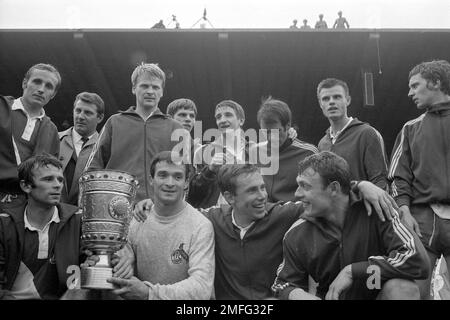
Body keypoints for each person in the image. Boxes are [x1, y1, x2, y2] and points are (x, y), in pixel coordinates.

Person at [135, 163, 399, 299]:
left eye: (262, 187)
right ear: (229, 197)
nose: (263, 195)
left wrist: (360, 185)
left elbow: (325, 194)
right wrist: (149, 204)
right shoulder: (211, 220)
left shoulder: (283, 213)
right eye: (252, 190)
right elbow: (178, 212)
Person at [272, 151, 430, 300]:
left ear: (334, 188)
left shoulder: (379, 209)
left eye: (305, 186)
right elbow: (281, 285)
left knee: (402, 289)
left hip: (376, 293)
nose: (297, 194)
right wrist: (298, 295)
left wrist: (354, 271)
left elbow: (417, 260)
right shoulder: (298, 231)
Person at [107, 151, 215, 300]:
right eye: (163, 175)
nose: (170, 183)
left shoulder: (200, 226)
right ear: (151, 180)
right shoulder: (136, 219)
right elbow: (119, 261)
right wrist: (121, 258)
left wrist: (149, 293)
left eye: (177, 177)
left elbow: (201, 288)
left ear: (186, 183)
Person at [388, 59, 450, 299]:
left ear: (435, 83)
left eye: (415, 85)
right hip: (421, 220)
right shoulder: (410, 128)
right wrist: (403, 209)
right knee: (414, 293)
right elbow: (397, 176)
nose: (409, 92)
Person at [85, 63, 186, 202]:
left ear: (162, 92)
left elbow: (187, 173)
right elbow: (93, 169)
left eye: (155, 87)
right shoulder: (114, 122)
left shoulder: (176, 128)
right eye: (144, 86)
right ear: (134, 88)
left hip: (161, 211)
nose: (150, 91)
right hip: (116, 209)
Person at [0, 154, 82, 299]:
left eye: (60, 180)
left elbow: (92, 270)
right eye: (48, 179)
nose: (57, 185)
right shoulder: (4, 225)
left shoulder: (77, 220)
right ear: (25, 186)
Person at [0, 63, 61, 210]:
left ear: (53, 95)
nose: (41, 89)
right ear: (25, 83)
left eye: (48, 86)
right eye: (37, 82)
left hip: (24, 208)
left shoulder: (52, 131)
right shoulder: (2, 108)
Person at [317, 78, 389, 190]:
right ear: (320, 104)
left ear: (348, 100)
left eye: (337, 97)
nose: (331, 101)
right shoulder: (322, 143)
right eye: (326, 99)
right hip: (333, 207)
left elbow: (380, 181)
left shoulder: (367, 133)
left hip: (364, 206)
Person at [187, 100, 256, 208]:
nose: (222, 120)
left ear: (241, 120)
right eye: (218, 117)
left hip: (249, 214)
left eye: (228, 115)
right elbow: (192, 195)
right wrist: (209, 171)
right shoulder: (203, 152)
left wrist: (292, 138)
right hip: (215, 217)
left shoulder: (256, 150)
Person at [250, 97, 318, 202]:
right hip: (263, 213)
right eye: (266, 132)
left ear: (288, 126)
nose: (271, 137)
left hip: (295, 214)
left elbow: (316, 193)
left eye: (276, 131)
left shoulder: (308, 153)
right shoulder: (255, 152)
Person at [59, 92, 104, 205]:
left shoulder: (104, 148)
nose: (80, 116)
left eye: (88, 113)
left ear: (99, 118)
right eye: (78, 110)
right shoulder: (54, 138)